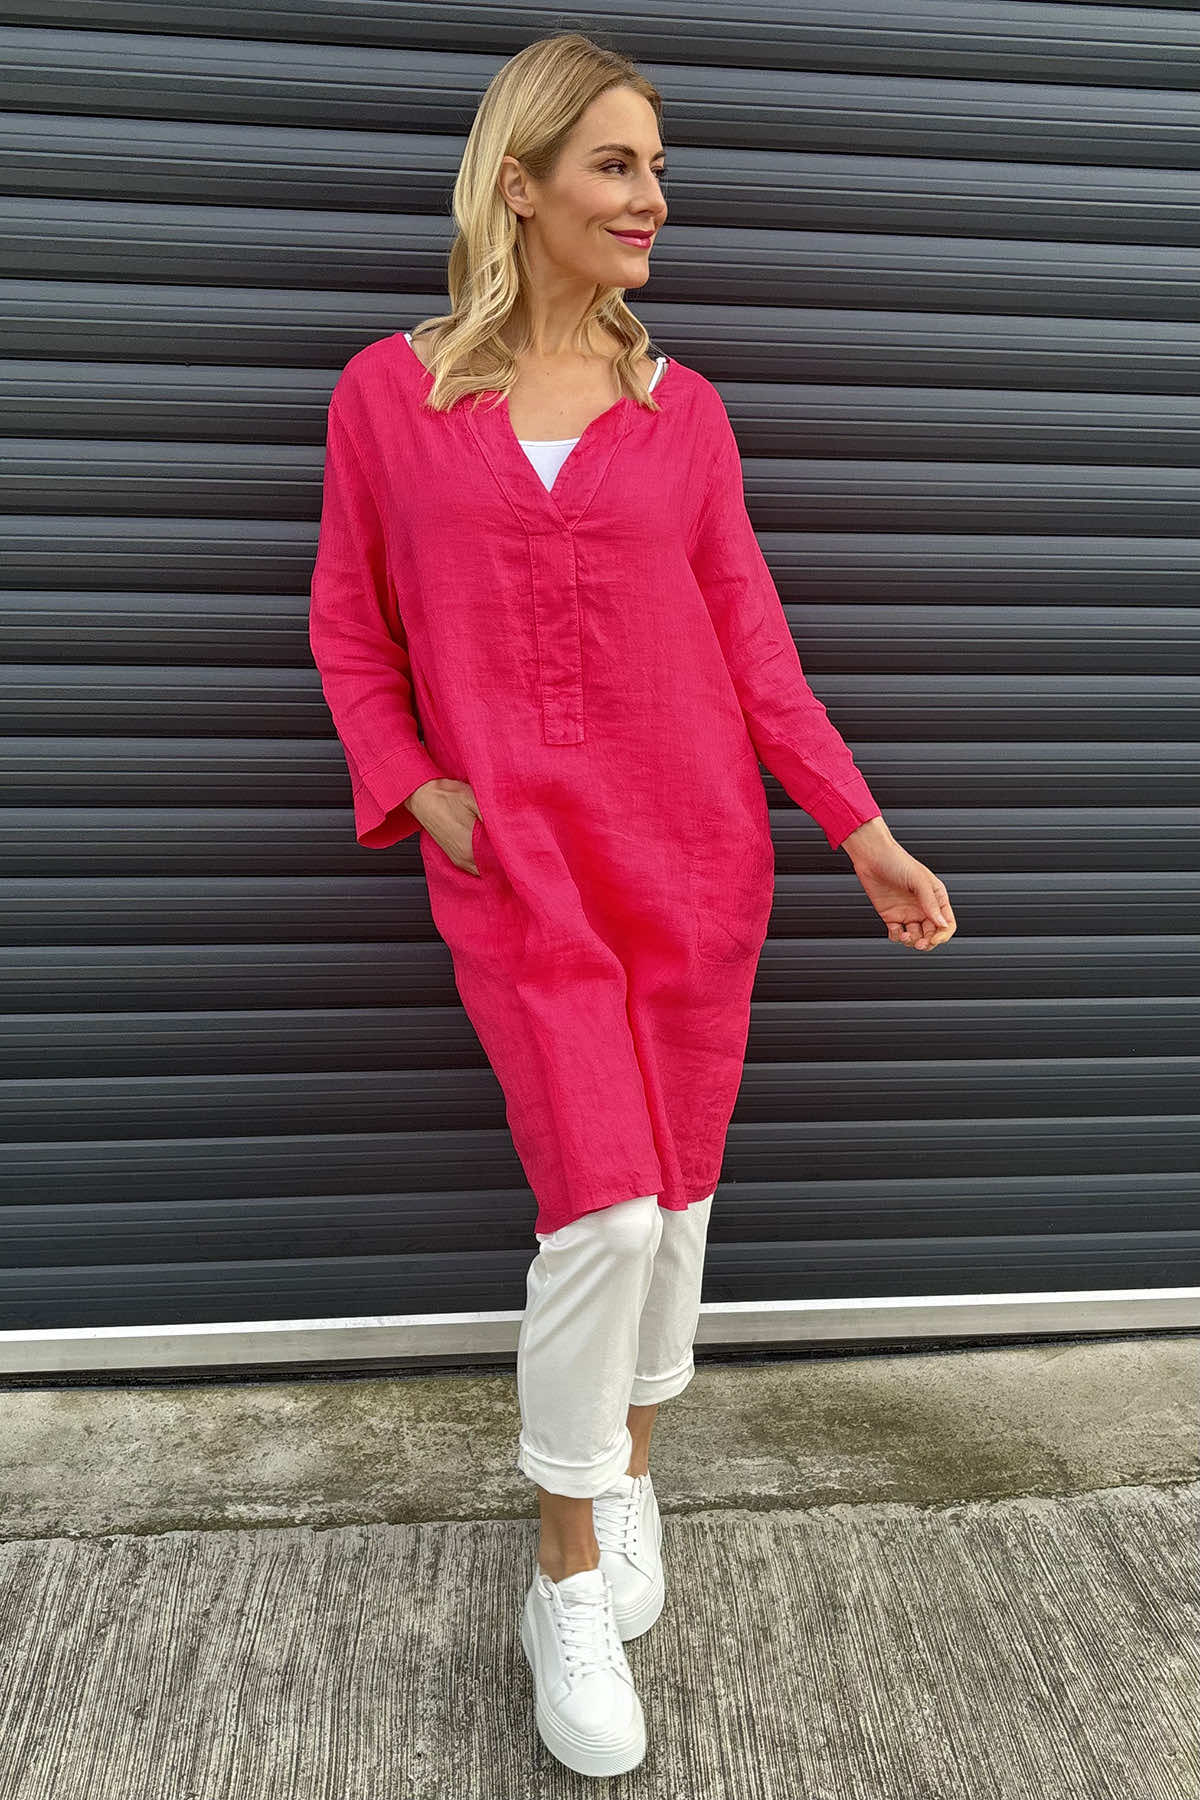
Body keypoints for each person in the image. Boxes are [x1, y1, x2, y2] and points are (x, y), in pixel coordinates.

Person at [308, 31, 957, 1780]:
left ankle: (631, 1476)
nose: (653, 197)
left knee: (672, 1212)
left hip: (694, 865)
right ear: (519, 184)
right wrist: (423, 790)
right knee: (599, 1215)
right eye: (616, 165)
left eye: (658, 167)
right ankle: (566, 1578)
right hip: (518, 878)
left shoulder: (684, 415)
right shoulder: (390, 398)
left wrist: (861, 828)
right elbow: (349, 629)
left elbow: (755, 649)